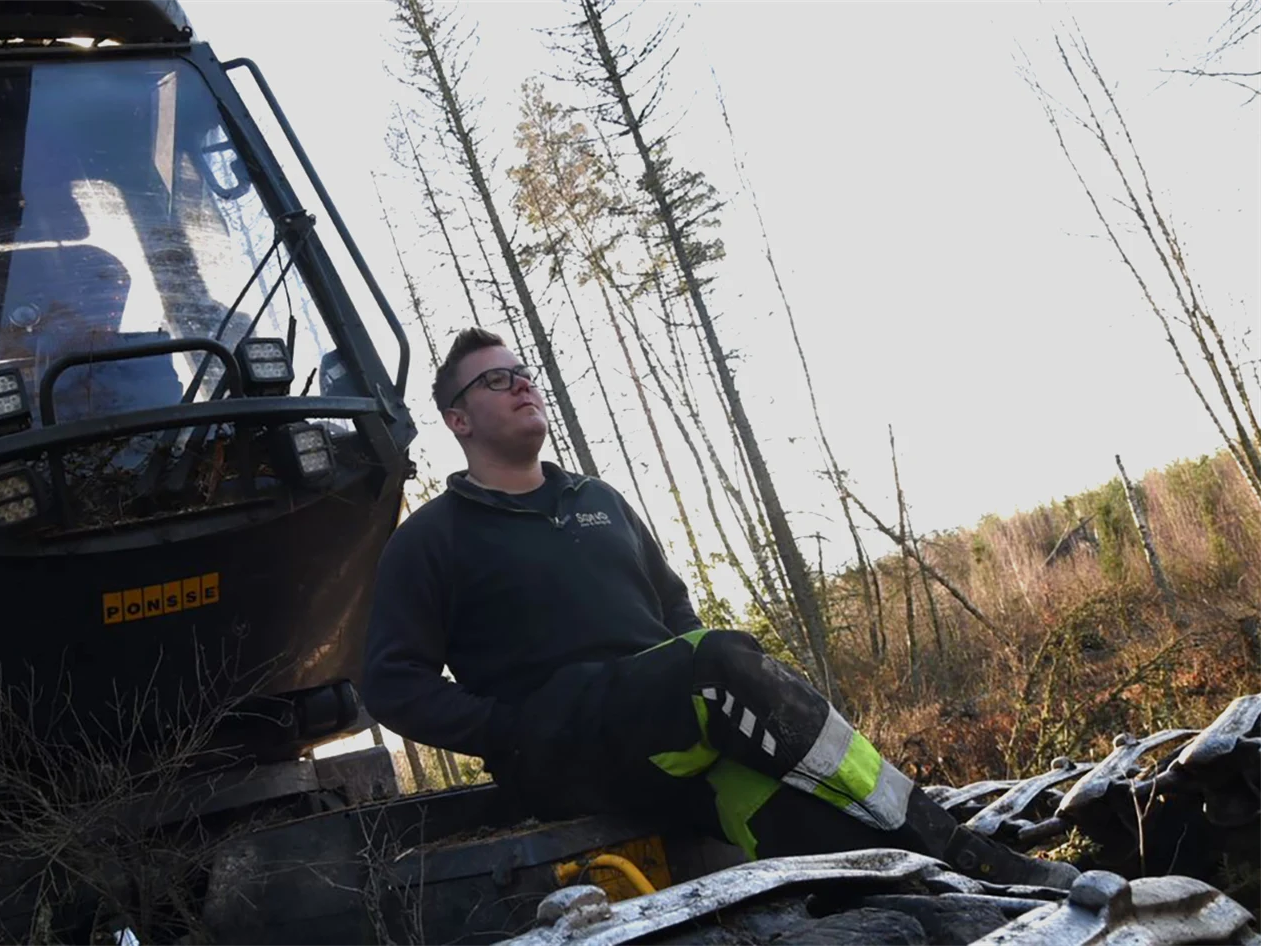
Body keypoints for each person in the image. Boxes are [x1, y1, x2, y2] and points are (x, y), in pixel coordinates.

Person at [359, 326, 1078, 888]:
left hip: (666, 735)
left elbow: (674, 605)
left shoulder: (599, 500)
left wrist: (694, 683)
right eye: (496, 379)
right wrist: (508, 729)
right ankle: (960, 846)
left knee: (825, 841)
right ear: (458, 418)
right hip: (565, 751)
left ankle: (956, 889)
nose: (522, 383)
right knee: (721, 660)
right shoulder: (432, 539)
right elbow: (391, 683)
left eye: (523, 371)